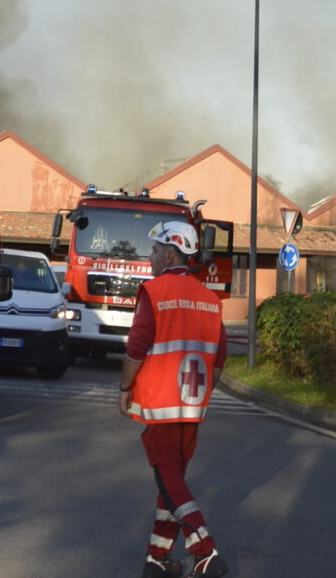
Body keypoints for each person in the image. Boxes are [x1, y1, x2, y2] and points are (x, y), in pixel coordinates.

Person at [118, 220, 229, 578]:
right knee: (172, 480)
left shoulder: (154, 291)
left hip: (161, 401)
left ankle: (205, 551)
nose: (149, 257)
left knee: (169, 478)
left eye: (153, 251)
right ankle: (158, 558)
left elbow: (137, 348)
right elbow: (221, 356)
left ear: (169, 254)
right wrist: (205, 392)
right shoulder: (211, 299)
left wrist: (124, 389)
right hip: (194, 403)